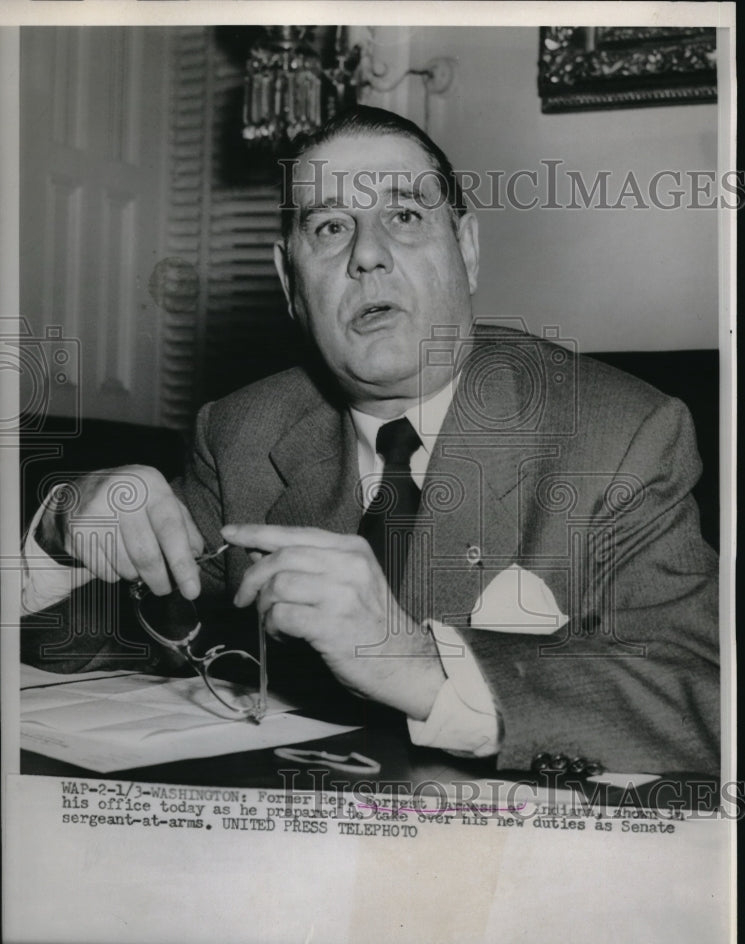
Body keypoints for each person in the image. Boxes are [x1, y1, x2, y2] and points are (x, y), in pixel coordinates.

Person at [21, 106, 719, 775]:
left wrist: (412, 661)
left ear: (467, 251)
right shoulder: (241, 432)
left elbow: (704, 699)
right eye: (328, 228)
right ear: (288, 280)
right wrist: (59, 531)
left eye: (405, 216)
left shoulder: (621, 433)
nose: (368, 255)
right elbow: (87, 639)